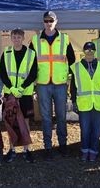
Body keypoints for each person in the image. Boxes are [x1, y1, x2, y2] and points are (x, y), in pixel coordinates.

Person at [29, 11, 76, 161]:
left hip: (60, 84)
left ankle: (63, 145)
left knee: (61, 117)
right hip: (43, 84)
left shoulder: (65, 39)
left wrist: (63, 74)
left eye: (51, 20)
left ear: (56, 22)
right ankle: (48, 147)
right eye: (46, 20)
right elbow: (31, 62)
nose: (48, 23)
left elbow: (72, 60)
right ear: (43, 22)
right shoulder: (35, 40)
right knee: (46, 118)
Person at [0, 28, 38, 163]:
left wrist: (21, 87)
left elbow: (33, 73)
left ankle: (26, 149)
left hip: (25, 93)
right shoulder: (6, 53)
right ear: (11, 38)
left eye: (18, 37)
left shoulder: (31, 54)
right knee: (11, 121)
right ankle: (12, 149)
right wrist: (11, 88)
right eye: (14, 37)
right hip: (10, 94)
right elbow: (2, 73)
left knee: (25, 121)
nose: (16, 40)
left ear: (23, 38)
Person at [70, 42, 100, 162]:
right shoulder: (76, 67)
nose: (89, 52)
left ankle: (94, 151)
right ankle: (84, 150)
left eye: (92, 50)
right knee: (85, 129)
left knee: (96, 130)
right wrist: (73, 102)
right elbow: (73, 87)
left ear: (94, 51)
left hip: (98, 103)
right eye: (87, 50)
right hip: (83, 103)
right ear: (83, 51)